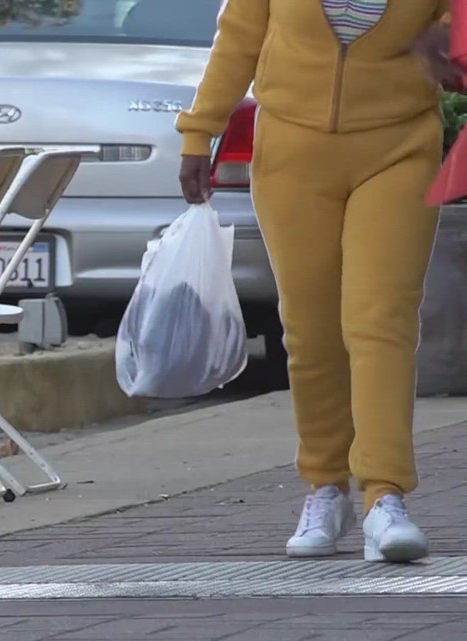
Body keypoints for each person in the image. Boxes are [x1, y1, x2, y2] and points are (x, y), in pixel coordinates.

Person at [176, 0, 458, 563]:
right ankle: (325, 489)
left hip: (399, 146)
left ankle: (385, 496)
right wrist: (198, 132)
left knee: (380, 319)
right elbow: (238, 39)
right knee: (310, 329)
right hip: (291, 154)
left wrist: (448, 44)